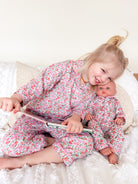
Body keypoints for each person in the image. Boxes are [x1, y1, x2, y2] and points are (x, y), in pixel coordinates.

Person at [0, 34, 128, 169]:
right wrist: (16, 98)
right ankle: (49, 142)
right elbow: (38, 84)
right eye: (103, 71)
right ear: (93, 59)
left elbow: (82, 108)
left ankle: (22, 161)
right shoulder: (65, 68)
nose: (103, 79)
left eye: (109, 78)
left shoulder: (93, 89)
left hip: (60, 125)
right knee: (9, 144)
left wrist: (75, 119)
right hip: (35, 118)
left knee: (86, 144)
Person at [84, 81, 125, 164]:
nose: (104, 90)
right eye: (100, 88)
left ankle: (114, 152)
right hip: (97, 123)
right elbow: (88, 110)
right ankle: (102, 146)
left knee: (119, 132)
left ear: (114, 91)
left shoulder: (115, 101)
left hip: (110, 124)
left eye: (108, 88)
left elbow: (120, 112)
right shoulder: (94, 100)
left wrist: (120, 118)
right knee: (92, 125)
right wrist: (87, 115)